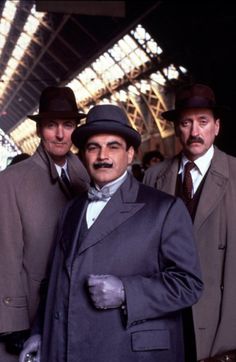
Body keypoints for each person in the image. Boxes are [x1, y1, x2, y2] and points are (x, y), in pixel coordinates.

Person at [20, 104, 203, 362]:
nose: (102, 155)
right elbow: (55, 282)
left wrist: (127, 291)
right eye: (93, 147)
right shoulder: (71, 209)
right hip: (70, 349)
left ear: (130, 155)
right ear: (84, 156)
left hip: (129, 352)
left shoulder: (165, 208)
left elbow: (189, 284)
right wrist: (41, 333)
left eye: (113, 146)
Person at [144, 83, 236, 361]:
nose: (195, 132)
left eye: (203, 121)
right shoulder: (153, 177)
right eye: (186, 122)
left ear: (217, 127)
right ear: (176, 127)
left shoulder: (235, 173)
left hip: (219, 320)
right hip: (165, 314)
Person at [0, 86, 90, 361]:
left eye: (68, 125)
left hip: (76, 309)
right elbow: (6, 256)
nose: (61, 134)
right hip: (30, 314)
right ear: (40, 130)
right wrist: (13, 323)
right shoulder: (11, 181)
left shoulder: (87, 175)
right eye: (52, 125)